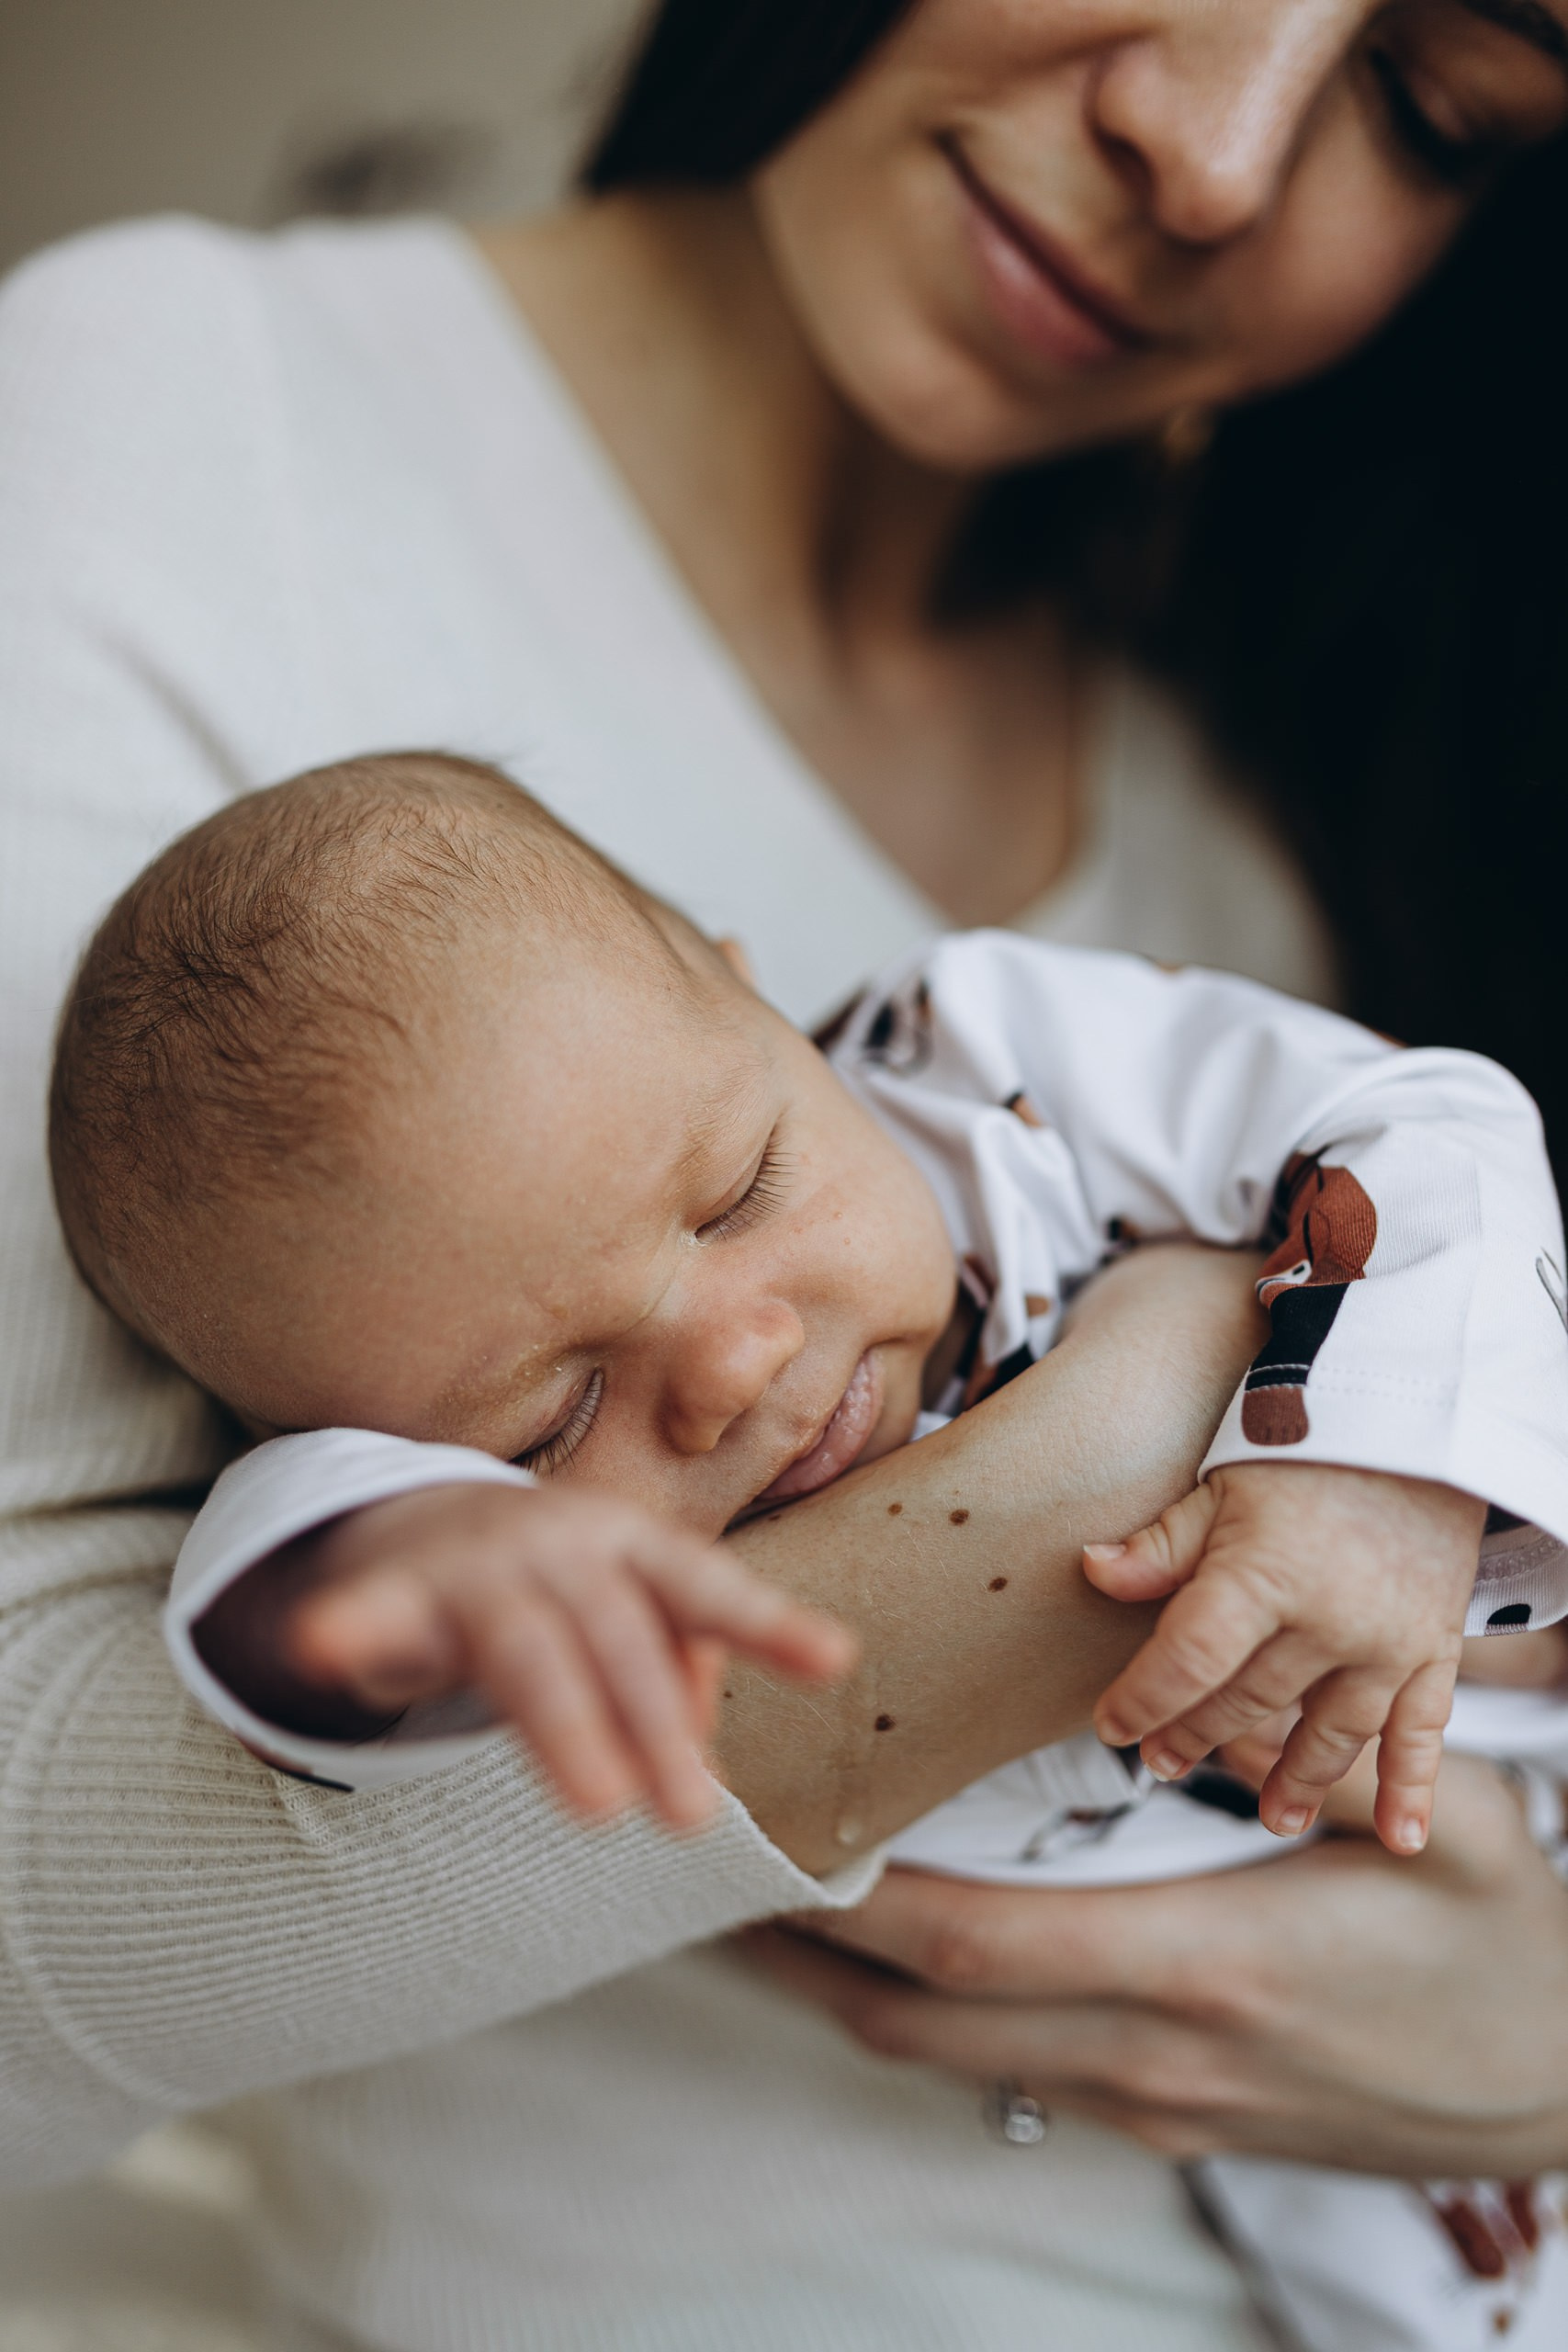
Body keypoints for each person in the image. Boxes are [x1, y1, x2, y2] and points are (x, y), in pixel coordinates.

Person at [3, 1, 1567, 2345]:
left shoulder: (1240, 762)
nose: (1206, 151)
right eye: (547, 1425)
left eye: (1428, 106)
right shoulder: (152, 446)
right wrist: (1122, 1437)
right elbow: (209, 1671)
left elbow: (1427, 1166)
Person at [48, 748, 1568, 2350]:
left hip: (1476, 1720)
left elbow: (1413, 1116)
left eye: (737, 1193)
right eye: (553, 1422)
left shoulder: (980, 1058)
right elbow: (281, 1584)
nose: (734, 1363)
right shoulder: (436, 1486)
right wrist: (419, 1569)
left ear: (750, 992)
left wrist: (1367, 1469)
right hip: (1265, 2055)